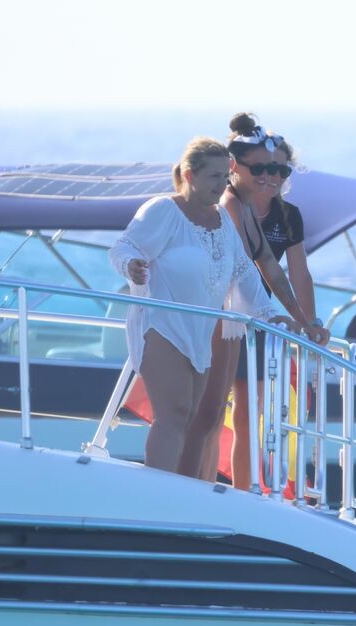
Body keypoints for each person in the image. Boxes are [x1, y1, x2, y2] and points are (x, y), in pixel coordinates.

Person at [110, 137, 293, 476]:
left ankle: (183, 492)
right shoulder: (163, 210)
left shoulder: (222, 219)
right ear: (190, 175)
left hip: (201, 334)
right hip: (161, 325)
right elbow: (123, 247)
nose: (222, 184)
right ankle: (159, 491)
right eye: (214, 176)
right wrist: (131, 264)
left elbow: (244, 272)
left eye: (226, 176)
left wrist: (271, 315)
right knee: (174, 413)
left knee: (196, 419)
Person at [186, 113, 329, 486]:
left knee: (248, 416)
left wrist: (308, 323)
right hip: (221, 317)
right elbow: (251, 269)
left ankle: (241, 493)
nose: (271, 176)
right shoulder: (229, 204)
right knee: (210, 413)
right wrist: (292, 318)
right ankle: (198, 487)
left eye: (280, 170)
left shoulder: (280, 213)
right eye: (261, 168)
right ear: (235, 166)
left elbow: (288, 271)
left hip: (253, 318)